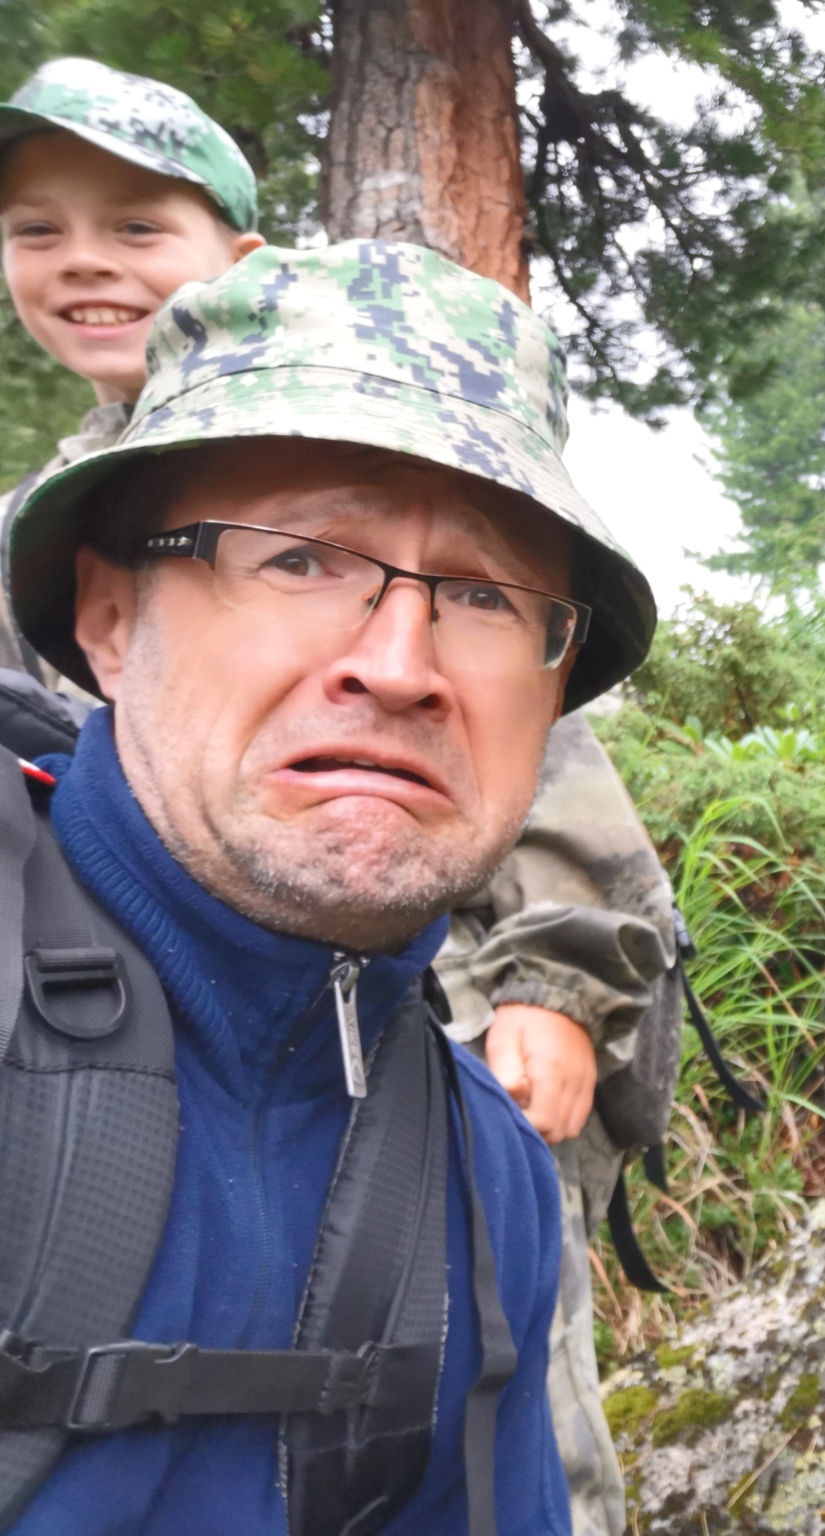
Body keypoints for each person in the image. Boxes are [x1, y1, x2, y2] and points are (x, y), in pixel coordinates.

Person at [0, 61, 671, 1534]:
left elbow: (563, 830)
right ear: (102, 618)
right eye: (297, 557)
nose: (398, 661)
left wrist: (550, 986)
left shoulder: (470, 1174)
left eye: (486, 596)